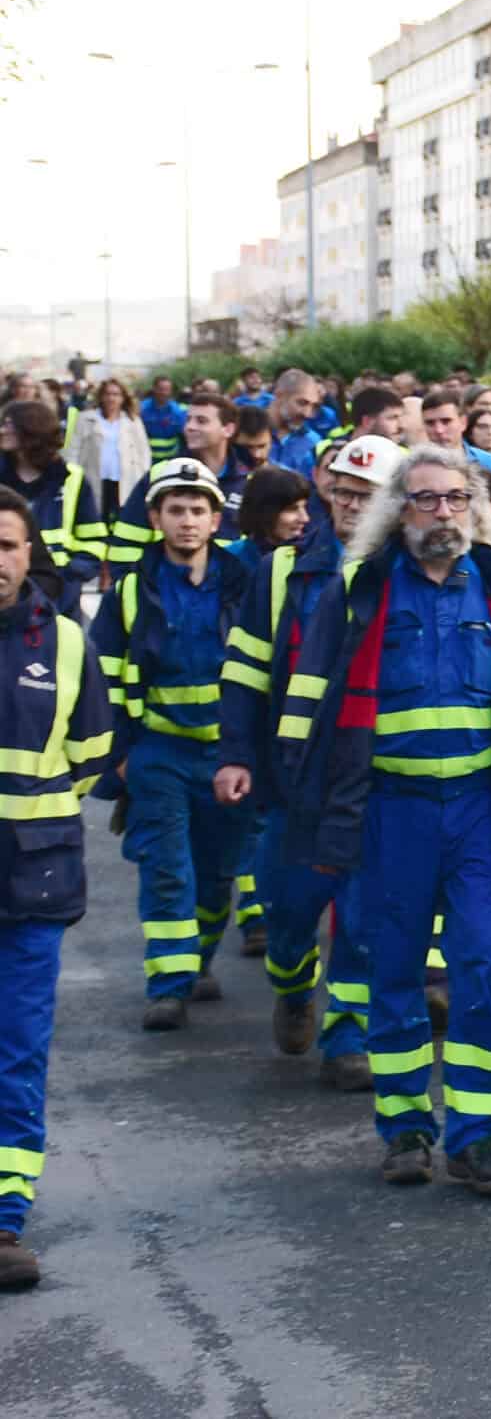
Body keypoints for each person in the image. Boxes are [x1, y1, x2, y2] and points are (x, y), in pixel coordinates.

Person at [274, 444, 491, 1195]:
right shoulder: (357, 593)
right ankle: (405, 1129)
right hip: (389, 815)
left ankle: (480, 1138)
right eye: (424, 499)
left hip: (477, 814)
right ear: (397, 512)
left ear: (474, 507)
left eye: (454, 499)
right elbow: (306, 715)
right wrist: (318, 814)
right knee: (393, 972)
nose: (442, 512)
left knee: (479, 967)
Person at [215, 436, 403, 1088]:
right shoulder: (280, 572)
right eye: (343, 491)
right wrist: (236, 755)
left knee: (361, 916)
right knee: (288, 913)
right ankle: (294, 985)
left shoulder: (403, 574)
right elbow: (242, 674)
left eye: (366, 495)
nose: (351, 505)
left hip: (375, 781)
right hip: (292, 781)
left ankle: (345, 1036)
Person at [94, 459, 257, 1030]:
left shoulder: (245, 584)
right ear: (156, 518)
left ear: (216, 519)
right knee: (167, 869)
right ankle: (167, 983)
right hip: (159, 753)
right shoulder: (132, 590)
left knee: (218, 872)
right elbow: (105, 677)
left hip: (228, 757)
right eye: (175, 510)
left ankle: (197, 959)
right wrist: (118, 754)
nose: (187, 521)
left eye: (197, 510)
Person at [0, 486, 110, 1292]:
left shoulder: (66, 642)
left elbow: (95, 749)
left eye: (7, 546)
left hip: (32, 878)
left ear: (27, 553)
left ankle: (3, 1220)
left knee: (15, 1053)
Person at [109, 393, 251, 569]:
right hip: (162, 590)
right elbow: (125, 546)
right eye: (188, 419)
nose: (190, 427)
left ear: (228, 429)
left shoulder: (248, 484)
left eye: (201, 421)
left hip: (225, 591)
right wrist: (134, 587)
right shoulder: (160, 475)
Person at [1, 401, 104, 604]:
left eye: (8, 425)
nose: (2, 430)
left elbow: (93, 542)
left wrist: (68, 578)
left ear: (30, 429)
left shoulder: (72, 478)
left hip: (59, 596)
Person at [73, 377, 151, 520]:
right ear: (101, 396)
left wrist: (143, 477)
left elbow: (143, 452)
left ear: (123, 398)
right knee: (95, 516)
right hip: (94, 477)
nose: (111, 398)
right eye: (107, 394)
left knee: (123, 516)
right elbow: (74, 449)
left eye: (116, 394)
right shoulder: (85, 419)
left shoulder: (132, 421)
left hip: (123, 478)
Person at [420, 389, 491, 479]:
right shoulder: (413, 467)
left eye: (446, 421)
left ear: (463, 422)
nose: (439, 430)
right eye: (430, 423)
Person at [267, 370, 327, 477]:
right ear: (279, 395)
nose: (307, 414)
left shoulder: (314, 442)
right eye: (302, 403)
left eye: (314, 406)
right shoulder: (247, 430)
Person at [141, 375, 187, 463]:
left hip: (170, 460)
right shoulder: (142, 409)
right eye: (160, 389)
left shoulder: (178, 411)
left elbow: (184, 439)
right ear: (154, 389)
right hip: (146, 459)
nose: (163, 392)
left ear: (170, 391)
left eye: (167, 389)